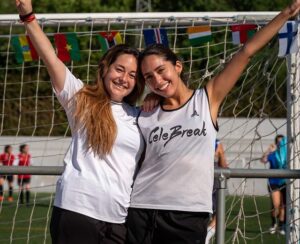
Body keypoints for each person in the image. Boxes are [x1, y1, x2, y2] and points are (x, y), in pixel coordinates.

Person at [127, 2, 300, 243]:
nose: (157, 79)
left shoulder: (206, 99)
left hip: (188, 214)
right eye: (148, 77)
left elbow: (246, 52)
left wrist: (284, 15)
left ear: (177, 66)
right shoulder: (146, 113)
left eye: (161, 70)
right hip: (141, 209)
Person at [16, 0, 146, 243]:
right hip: (76, 212)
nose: (124, 78)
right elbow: (51, 58)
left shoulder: (141, 116)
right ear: (105, 68)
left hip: (118, 219)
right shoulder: (81, 100)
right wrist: (29, 17)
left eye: (132, 75)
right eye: (119, 69)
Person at [261, 135, 287, 235]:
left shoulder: (287, 154)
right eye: (279, 143)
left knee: (283, 205)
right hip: (273, 182)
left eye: (282, 142)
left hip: (284, 181)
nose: (280, 144)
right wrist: (268, 150)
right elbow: (263, 160)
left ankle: (281, 226)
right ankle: (273, 224)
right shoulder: (273, 154)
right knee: (276, 205)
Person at [205, 139, 228, 244]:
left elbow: (224, 167)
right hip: (201, 182)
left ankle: (206, 236)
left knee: (219, 213)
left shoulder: (217, 143)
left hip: (215, 183)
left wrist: (220, 154)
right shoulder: (197, 139)